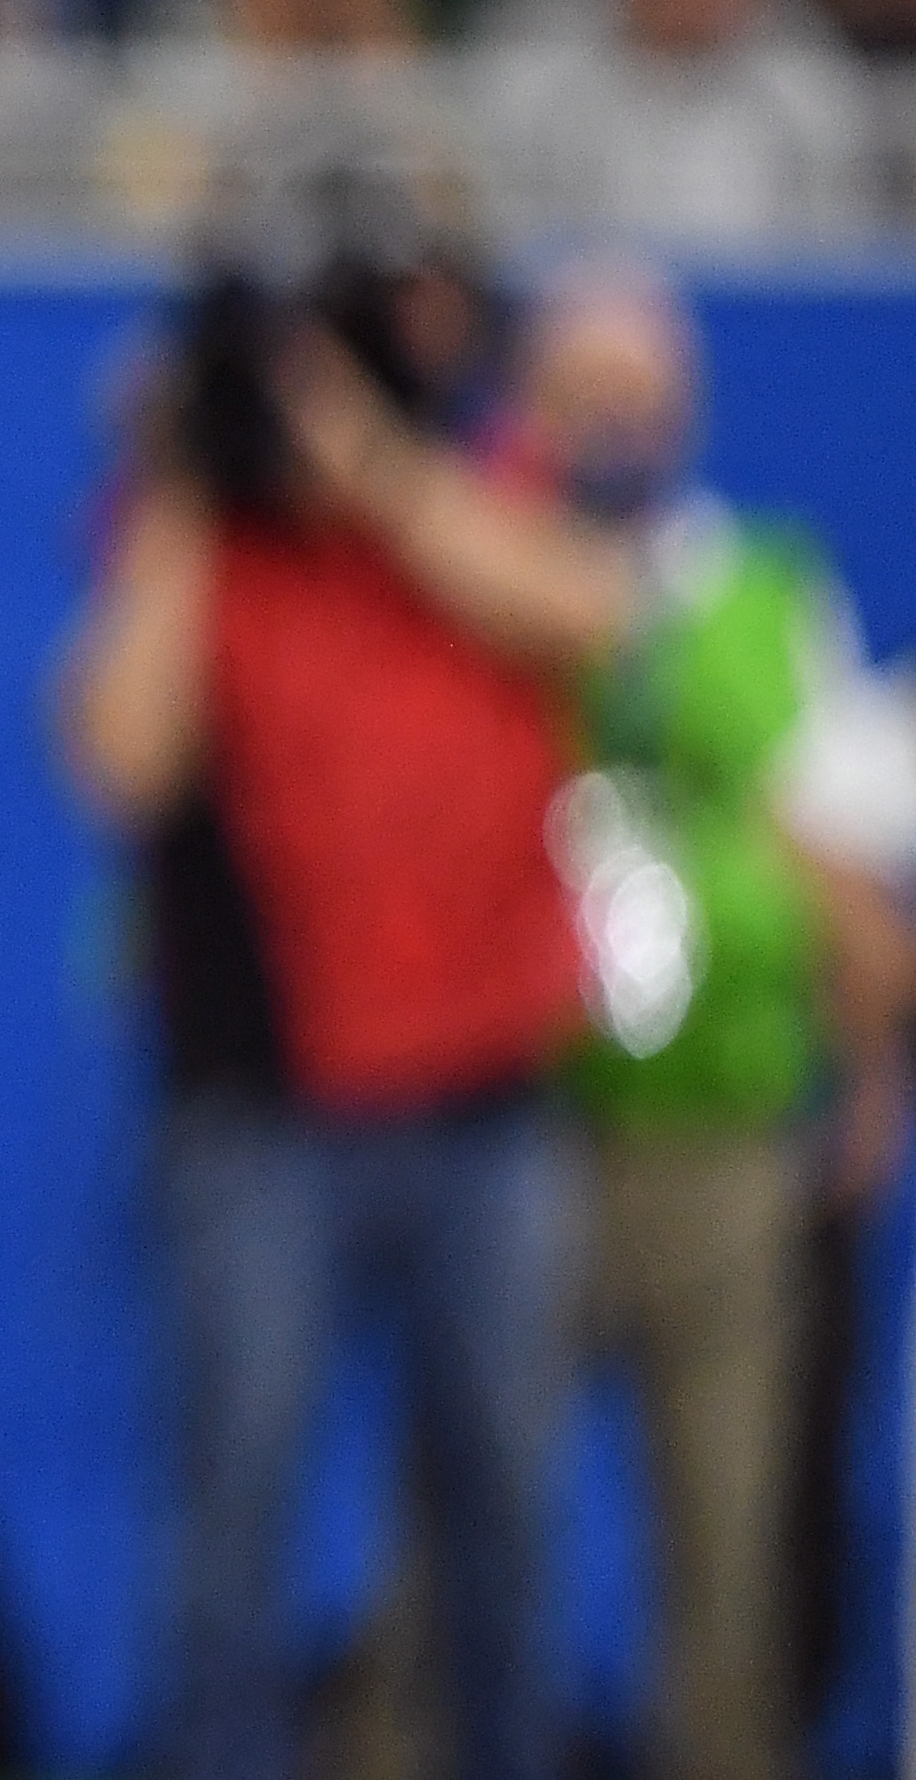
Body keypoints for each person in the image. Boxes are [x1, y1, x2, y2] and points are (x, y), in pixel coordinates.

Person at [59, 233, 626, 1780]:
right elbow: (118, 754)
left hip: (482, 1109)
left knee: (507, 1512)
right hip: (263, 1122)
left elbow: (591, 612)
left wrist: (368, 465)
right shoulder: (198, 542)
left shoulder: (468, 482)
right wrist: (183, 485)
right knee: (230, 1520)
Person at [511, 260, 916, 1780]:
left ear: (686, 414)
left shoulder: (762, 589)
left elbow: (848, 863)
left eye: (641, 400)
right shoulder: (487, 567)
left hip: (729, 1133)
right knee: (473, 1531)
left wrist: (868, 1076)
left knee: (729, 1554)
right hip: (526, 1128)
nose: (613, 426)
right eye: (582, 397)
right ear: (530, 410)